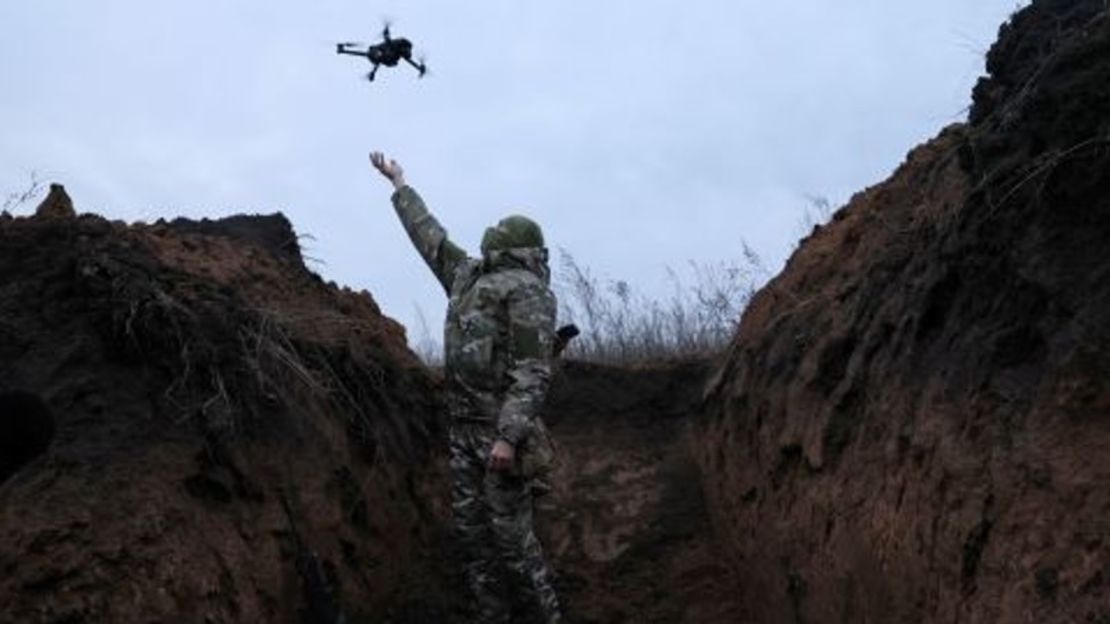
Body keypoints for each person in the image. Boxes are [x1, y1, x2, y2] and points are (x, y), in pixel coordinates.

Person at [369, 151, 562, 623]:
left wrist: (508, 436)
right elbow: (430, 238)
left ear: (517, 246)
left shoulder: (527, 290)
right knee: (475, 544)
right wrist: (400, 185)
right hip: (463, 434)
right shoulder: (469, 277)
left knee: (513, 544)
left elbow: (532, 372)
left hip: (499, 438)